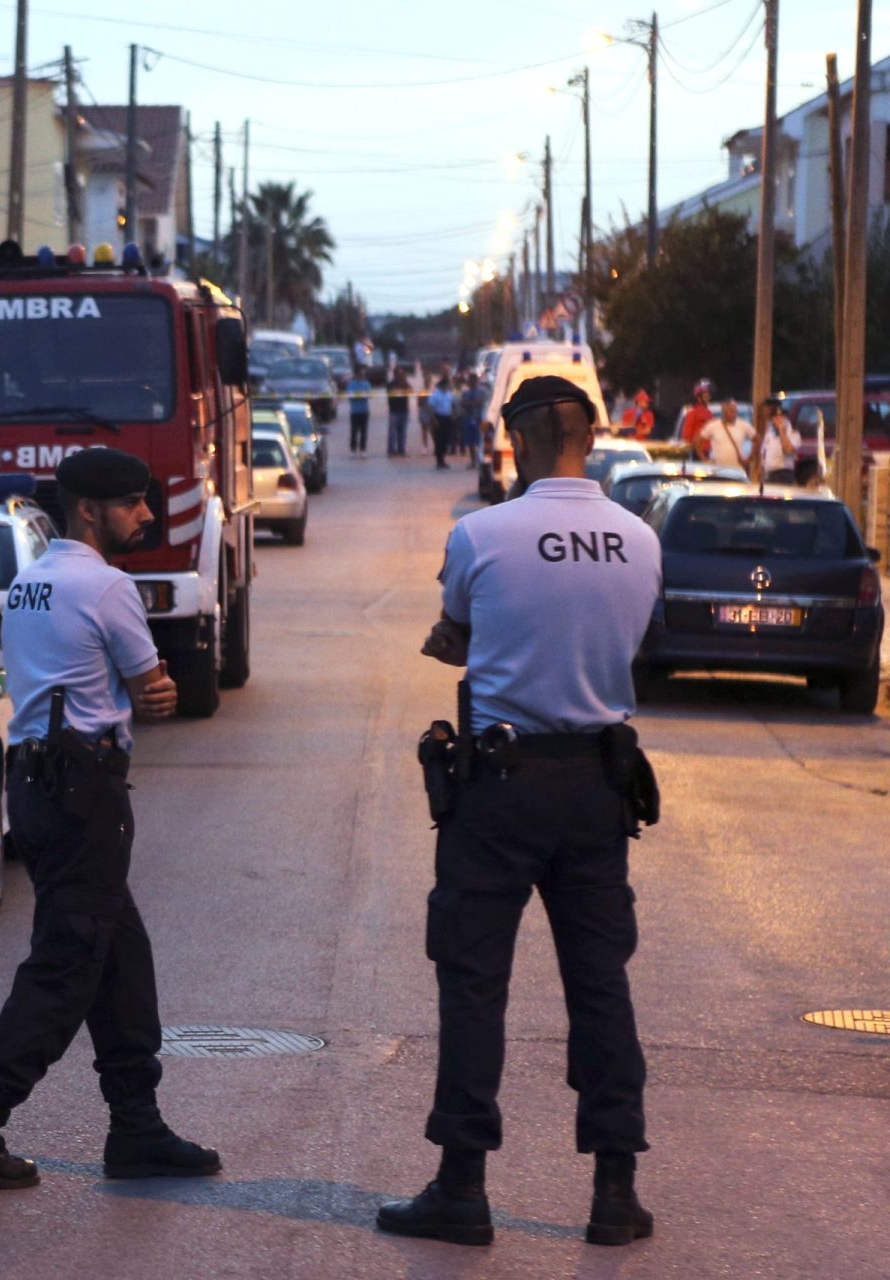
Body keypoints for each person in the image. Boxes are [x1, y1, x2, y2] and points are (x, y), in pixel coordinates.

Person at [378, 375, 661, 1249]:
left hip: (498, 791)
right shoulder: (641, 539)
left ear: (525, 436)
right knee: (601, 989)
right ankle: (615, 1191)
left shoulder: (482, 533)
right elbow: (622, 641)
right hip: (596, 789)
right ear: (584, 434)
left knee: (473, 987)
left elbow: (456, 630)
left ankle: (462, 1188)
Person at [0, 447, 220, 1190]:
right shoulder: (107, 586)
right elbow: (155, 687)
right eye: (135, 504)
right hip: (85, 790)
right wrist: (152, 695)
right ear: (89, 510)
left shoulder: (31, 581)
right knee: (66, 964)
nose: (149, 515)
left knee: (121, 957)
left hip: (36, 785)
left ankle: (137, 1128)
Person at [694, 398, 753, 469]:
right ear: (723, 412)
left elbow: (757, 439)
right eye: (729, 411)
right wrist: (704, 460)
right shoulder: (713, 425)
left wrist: (750, 458)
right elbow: (697, 442)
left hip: (738, 470)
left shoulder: (743, 425)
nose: (732, 413)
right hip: (719, 470)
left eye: (734, 411)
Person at [754, 399, 802, 485]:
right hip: (768, 475)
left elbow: (788, 450)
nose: (777, 420)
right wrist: (758, 475)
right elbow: (764, 454)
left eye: (781, 417)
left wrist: (781, 431)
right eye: (775, 417)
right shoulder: (770, 432)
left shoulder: (793, 433)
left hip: (782, 474)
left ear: (786, 418)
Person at [458, 373, 489, 468]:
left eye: (473, 380)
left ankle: (483, 461)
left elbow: (480, 402)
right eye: (470, 380)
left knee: (482, 440)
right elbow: (462, 403)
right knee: (470, 442)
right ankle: (473, 461)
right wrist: (472, 403)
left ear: (476, 381)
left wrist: (470, 403)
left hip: (481, 419)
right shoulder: (465, 392)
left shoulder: (483, 391)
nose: (471, 382)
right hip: (468, 418)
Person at [428, 377, 457, 470]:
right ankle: (439, 461)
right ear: (442, 385)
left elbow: (453, 405)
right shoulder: (436, 395)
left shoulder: (449, 394)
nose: (448, 386)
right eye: (447, 384)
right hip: (439, 418)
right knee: (438, 440)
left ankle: (443, 460)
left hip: (447, 418)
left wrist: (453, 415)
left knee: (446, 439)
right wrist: (434, 420)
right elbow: (431, 408)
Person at [678, 381, 715, 447]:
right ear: (699, 397)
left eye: (709, 396)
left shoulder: (710, 414)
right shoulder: (693, 413)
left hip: (709, 450)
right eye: (706, 396)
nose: (708, 398)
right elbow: (686, 435)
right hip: (696, 450)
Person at [387, 368, 413, 457]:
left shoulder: (405, 383)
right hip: (394, 411)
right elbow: (390, 391)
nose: (401, 376)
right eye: (399, 374)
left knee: (403, 431)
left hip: (404, 410)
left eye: (402, 374)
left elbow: (411, 390)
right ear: (395, 375)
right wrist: (400, 390)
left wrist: (404, 384)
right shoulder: (390, 384)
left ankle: (401, 449)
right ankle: (391, 450)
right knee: (392, 432)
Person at [348, 369, 373, 457]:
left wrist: (362, 395)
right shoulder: (351, 384)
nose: (361, 376)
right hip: (354, 411)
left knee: (364, 431)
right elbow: (350, 396)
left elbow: (369, 395)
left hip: (364, 411)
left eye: (362, 374)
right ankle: (353, 449)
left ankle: (363, 449)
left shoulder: (366, 383)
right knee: (354, 431)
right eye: (360, 374)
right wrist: (360, 395)